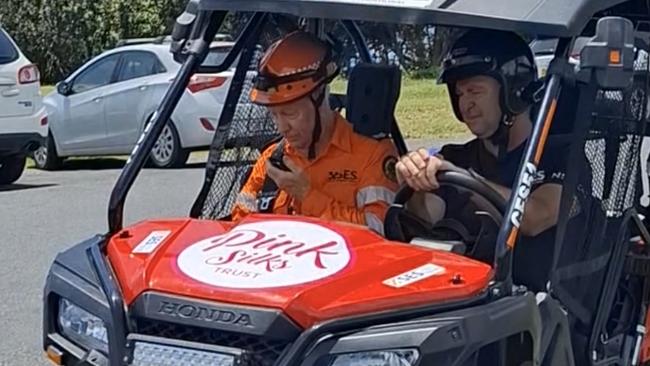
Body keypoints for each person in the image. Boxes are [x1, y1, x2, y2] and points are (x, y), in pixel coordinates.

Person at [396, 29, 574, 291]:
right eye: (459, 94)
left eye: (475, 91)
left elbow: (536, 217)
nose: (465, 103)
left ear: (514, 90)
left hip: (536, 309)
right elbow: (427, 218)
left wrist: (462, 179)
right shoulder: (455, 156)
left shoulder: (561, 156)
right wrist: (417, 178)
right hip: (461, 300)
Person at [231, 31, 399, 235]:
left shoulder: (372, 155)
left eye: (290, 113)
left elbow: (379, 231)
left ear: (320, 98)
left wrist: (307, 195)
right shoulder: (273, 159)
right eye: (274, 115)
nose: (282, 127)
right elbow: (239, 225)